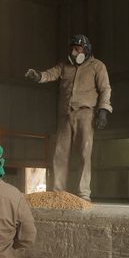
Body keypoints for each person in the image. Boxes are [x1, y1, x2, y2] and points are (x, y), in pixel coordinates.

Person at [25, 35, 112, 202]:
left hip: (86, 114)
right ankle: (58, 193)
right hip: (66, 114)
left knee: (84, 153)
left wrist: (103, 110)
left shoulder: (97, 66)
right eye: (72, 49)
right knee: (59, 153)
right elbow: (51, 74)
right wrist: (38, 76)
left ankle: (83, 193)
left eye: (77, 49)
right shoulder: (65, 66)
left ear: (86, 50)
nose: (74, 52)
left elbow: (105, 89)